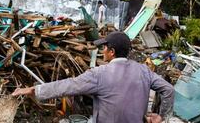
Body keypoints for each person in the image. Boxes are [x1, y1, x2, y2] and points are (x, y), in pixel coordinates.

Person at [12, 31, 174, 123]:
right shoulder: (143, 71)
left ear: (112, 52)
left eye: (104, 47)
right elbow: (168, 90)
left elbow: (68, 86)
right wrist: (162, 116)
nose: (102, 51)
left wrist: (34, 90)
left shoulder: (99, 74)